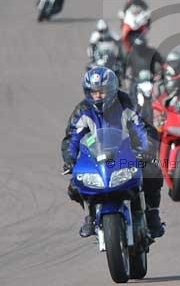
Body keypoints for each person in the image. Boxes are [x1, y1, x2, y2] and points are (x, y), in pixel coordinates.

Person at [61, 67, 165, 238]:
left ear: (111, 90)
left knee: (152, 172)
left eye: (102, 92)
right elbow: (72, 138)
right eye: (93, 92)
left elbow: (142, 128)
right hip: (97, 158)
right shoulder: (82, 111)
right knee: (75, 185)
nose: (98, 96)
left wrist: (147, 149)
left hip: (127, 153)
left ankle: (152, 213)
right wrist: (70, 159)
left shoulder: (126, 103)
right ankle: (92, 214)